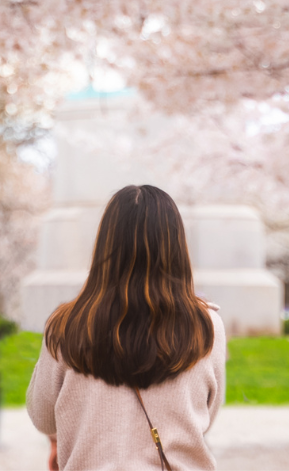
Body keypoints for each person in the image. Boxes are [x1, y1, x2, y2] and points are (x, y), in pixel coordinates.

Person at [26, 185, 226, 471]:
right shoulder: (207, 326)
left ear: (106, 245)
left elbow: (42, 416)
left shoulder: (65, 326)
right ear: (176, 245)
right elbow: (204, 416)